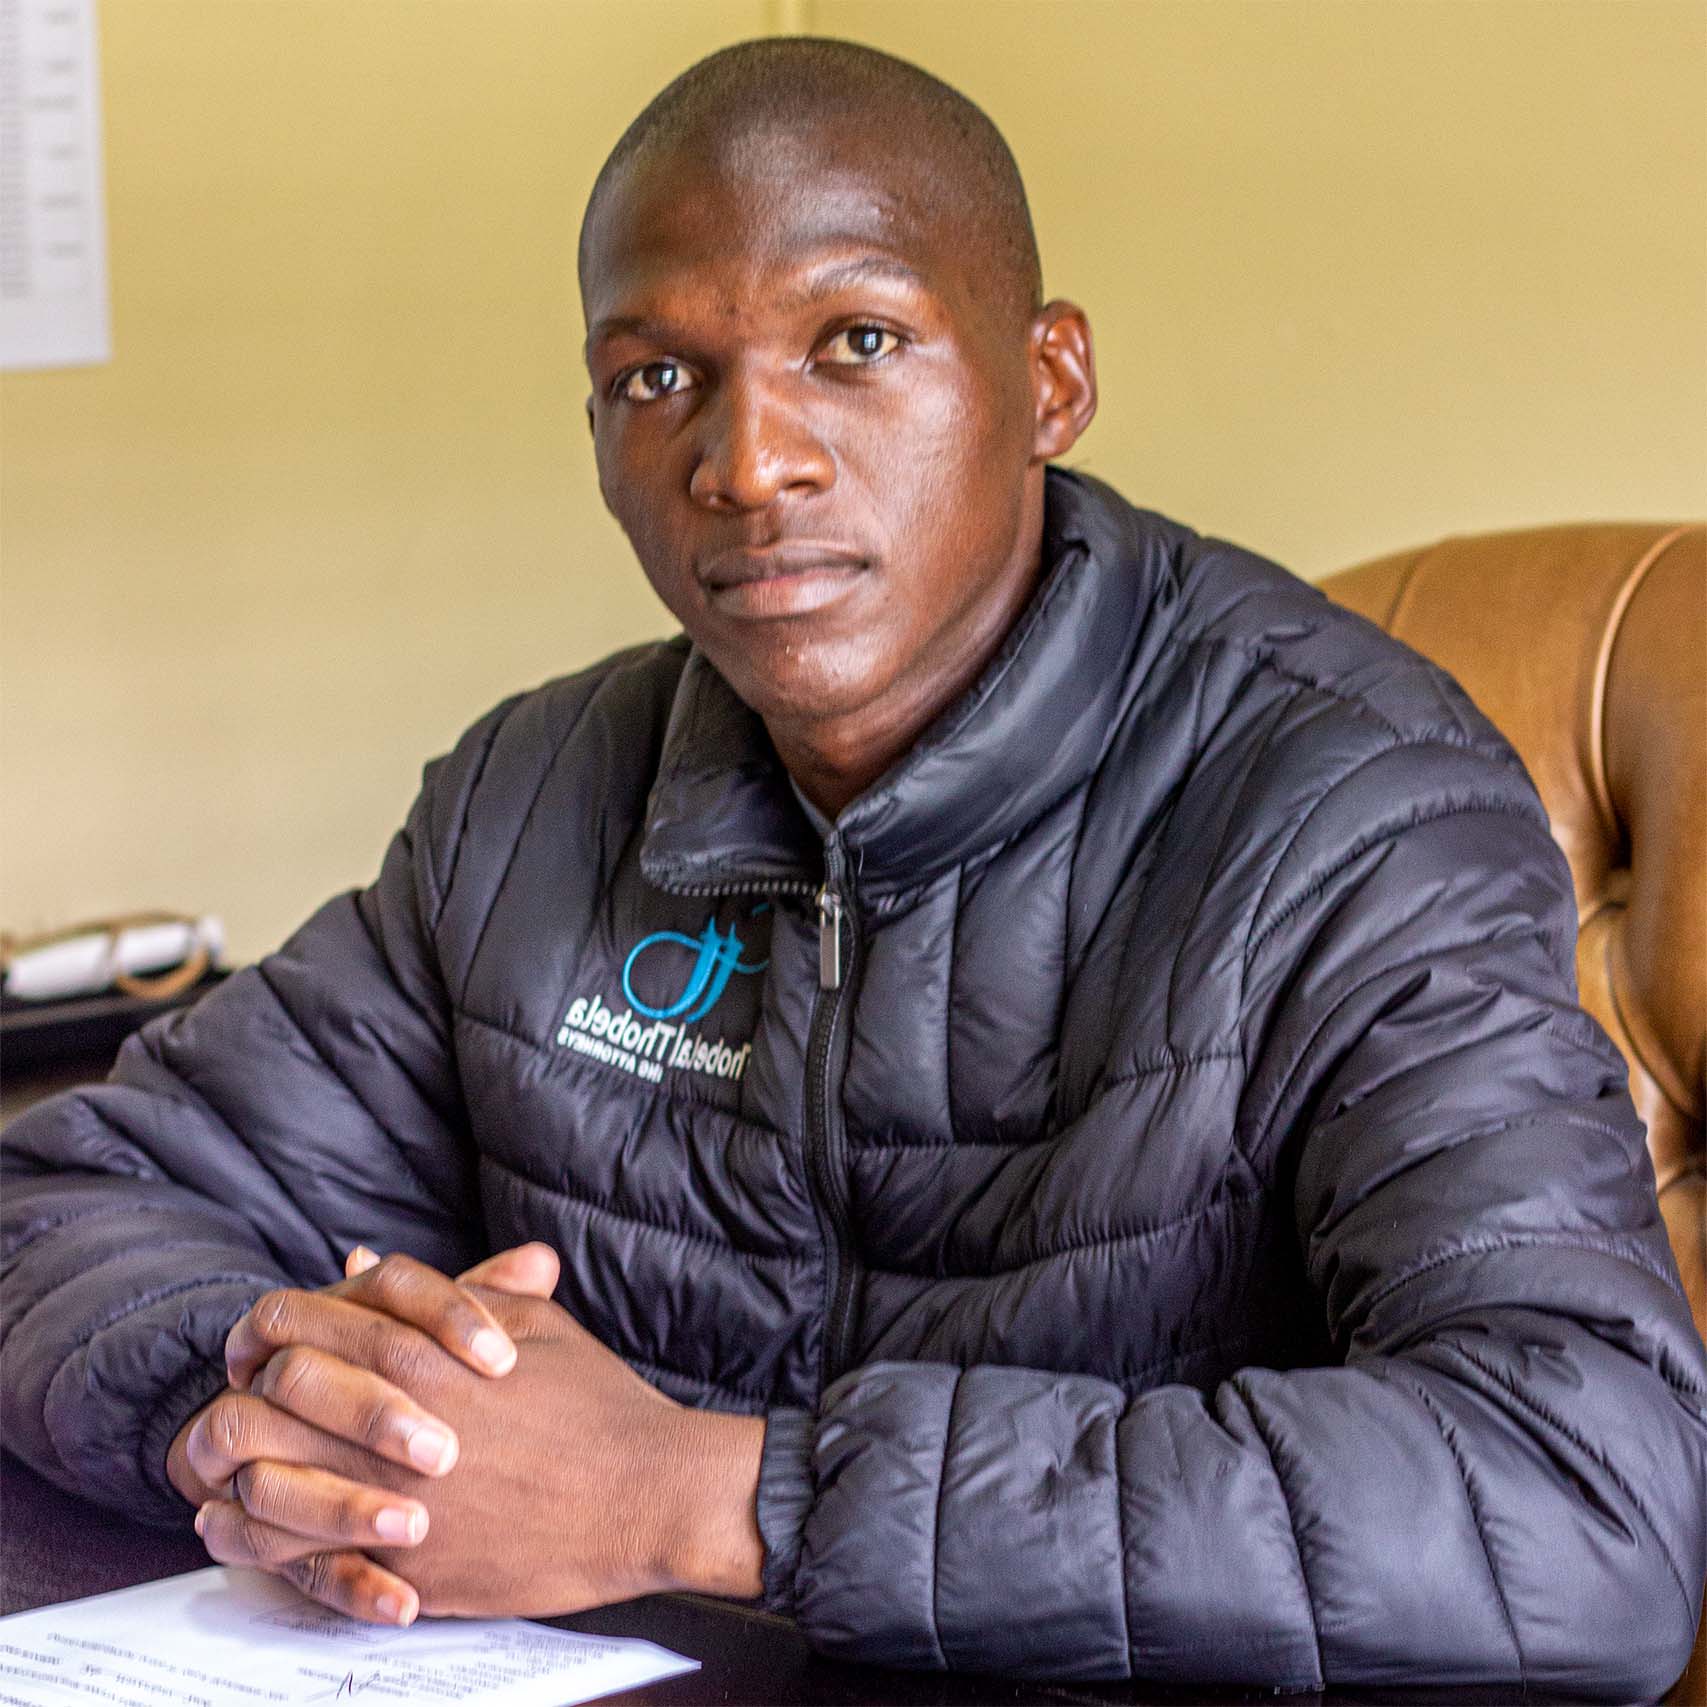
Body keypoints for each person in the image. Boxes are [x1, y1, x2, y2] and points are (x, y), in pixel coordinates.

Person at [3, 36, 1703, 1697]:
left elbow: (1582, 1509)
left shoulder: (1356, 813)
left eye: (859, 341)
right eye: (656, 378)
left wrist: (709, 1496)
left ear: (1050, 381)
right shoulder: (530, 799)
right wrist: (295, 1425)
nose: (747, 463)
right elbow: (59, 1209)